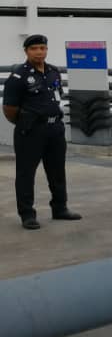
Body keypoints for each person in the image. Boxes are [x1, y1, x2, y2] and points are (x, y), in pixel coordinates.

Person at [3, 34, 82, 229]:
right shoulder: (18, 77)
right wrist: (27, 123)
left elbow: (57, 96)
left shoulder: (54, 72)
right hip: (31, 131)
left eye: (42, 48)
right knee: (26, 174)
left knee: (57, 171)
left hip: (55, 129)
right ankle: (27, 214)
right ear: (26, 51)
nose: (39, 52)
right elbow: (9, 109)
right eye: (34, 48)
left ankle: (60, 208)